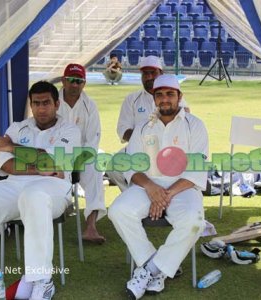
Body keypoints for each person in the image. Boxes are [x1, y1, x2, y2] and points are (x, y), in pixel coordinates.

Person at [108, 74, 208, 299]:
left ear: (179, 97)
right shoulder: (143, 127)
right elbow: (132, 167)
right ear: (154, 99)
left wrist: (167, 194)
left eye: (170, 94)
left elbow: (197, 170)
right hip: (147, 186)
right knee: (118, 211)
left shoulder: (195, 126)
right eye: (159, 95)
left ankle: (150, 270)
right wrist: (152, 189)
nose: (165, 99)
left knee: (194, 222)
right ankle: (157, 265)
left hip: (183, 188)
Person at [0, 81, 81, 299]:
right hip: (13, 186)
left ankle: (42, 281)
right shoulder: (16, 128)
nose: (41, 108)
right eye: (36, 103)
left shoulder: (70, 130)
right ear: (31, 105)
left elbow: (51, 161)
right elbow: (5, 166)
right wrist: (39, 167)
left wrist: (11, 147)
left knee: (34, 196)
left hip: (54, 188)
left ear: (57, 104)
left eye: (46, 103)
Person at [107, 55, 188, 191]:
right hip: (138, 150)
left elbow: (185, 120)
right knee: (114, 166)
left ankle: (162, 198)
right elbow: (123, 129)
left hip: (169, 148)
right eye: (146, 73)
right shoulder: (132, 99)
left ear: (160, 73)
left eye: (153, 72)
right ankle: (134, 196)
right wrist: (144, 140)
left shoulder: (173, 96)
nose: (149, 77)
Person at [58, 63, 106, 243]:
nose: (74, 85)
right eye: (71, 80)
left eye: (79, 81)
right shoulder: (52, 100)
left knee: (94, 170)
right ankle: (57, 209)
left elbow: (92, 139)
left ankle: (91, 227)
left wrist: (78, 161)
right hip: (55, 154)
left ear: (84, 84)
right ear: (63, 80)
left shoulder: (90, 106)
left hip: (82, 155)